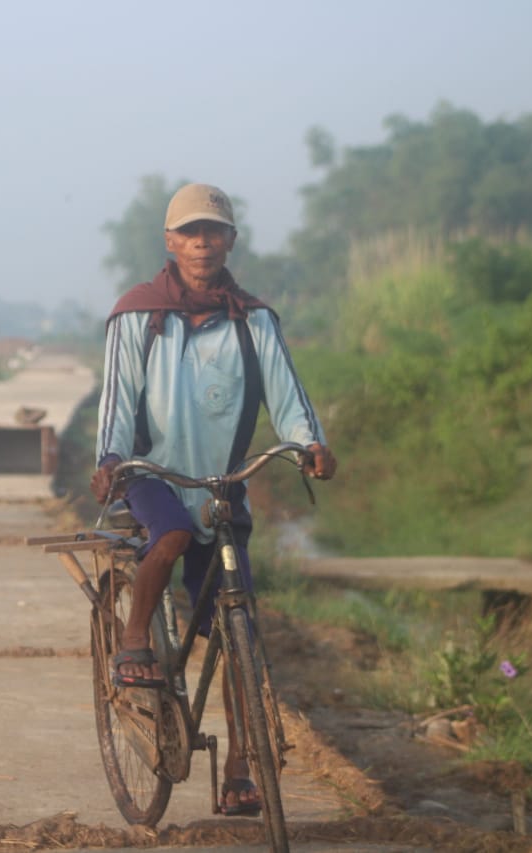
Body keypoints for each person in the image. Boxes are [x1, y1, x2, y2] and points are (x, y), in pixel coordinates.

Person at [91, 182, 336, 816]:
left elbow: (289, 400)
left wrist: (309, 444)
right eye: (190, 233)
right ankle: (135, 641)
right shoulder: (138, 314)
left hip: (223, 485)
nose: (203, 242)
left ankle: (238, 772)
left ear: (231, 241)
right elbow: (116, 402)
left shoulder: (254, 320)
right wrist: (111, 460)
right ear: (170, 243)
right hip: (153, 474)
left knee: (241, 636)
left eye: (215, 231)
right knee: (168, 538)